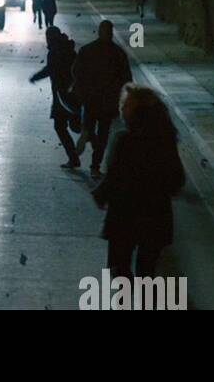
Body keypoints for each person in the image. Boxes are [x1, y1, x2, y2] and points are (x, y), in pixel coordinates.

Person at [92, 84, 185, 278]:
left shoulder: (125, 141)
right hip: (156, 216)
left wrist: (101, 196)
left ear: (138, 112)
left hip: (124, 216)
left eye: (126, 106)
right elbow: (177, 179)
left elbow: (114, 176)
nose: (122, 109)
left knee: (120, 268)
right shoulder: (166, 141)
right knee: (147, 271)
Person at [72, 20, 133, 178]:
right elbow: (127, 78)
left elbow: (76, 72)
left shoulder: (87, 50)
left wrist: (80, 92)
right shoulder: (118, 53)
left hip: (90, 98)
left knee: (90, 124)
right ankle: (95, 166)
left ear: (99, 32)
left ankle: (87, 133)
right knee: (104, 134)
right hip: (109, 101)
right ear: (111, 33)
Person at [29, 27, 82, 168]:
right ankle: (80, 154)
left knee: (61, 127)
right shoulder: (69, 49)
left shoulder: (55, 52)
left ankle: (75, 157)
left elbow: (51, 69)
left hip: (62, 96)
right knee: (73, 125)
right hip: (72, 94)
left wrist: (36, 77)